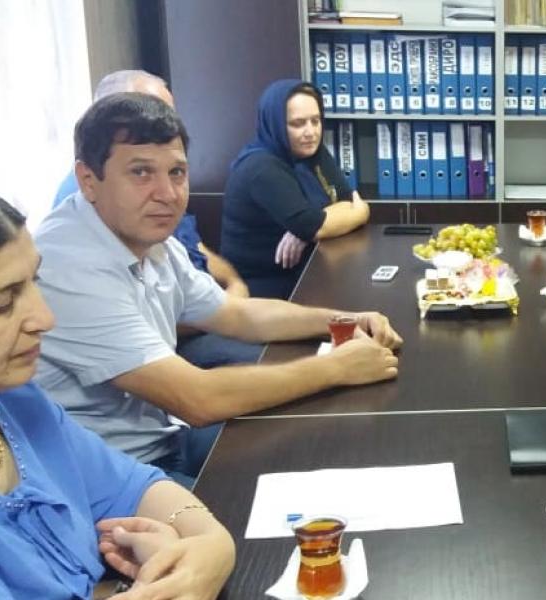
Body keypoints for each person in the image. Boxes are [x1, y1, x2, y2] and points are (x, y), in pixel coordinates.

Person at [34, 92, 402, 486]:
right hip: (107, 477)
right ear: (88, 180)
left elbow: (235, 313)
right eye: (141, 172)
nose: (167, 194)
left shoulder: (148, 237)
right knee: (264, 513)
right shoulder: (68, 263)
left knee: (326, 451)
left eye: (176, 172)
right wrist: (336, 368)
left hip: (164, 438)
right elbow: (198, 399)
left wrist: (345, 320)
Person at [0, 186, 234, 598]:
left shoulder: (12, 400)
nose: (44, 318)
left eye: (34, 282)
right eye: (2, 304)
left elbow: (134, 487)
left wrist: (210, 545)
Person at [52, 69, 261, 369]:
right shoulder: (71, 255)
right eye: (140, 172)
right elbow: (196, 391)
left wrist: (232, 283)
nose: (167, 194)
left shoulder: (151, 224)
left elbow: (192, 252)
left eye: (166, 115)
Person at [222, 79, 370, 299]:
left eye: (315, 121)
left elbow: (344, 200)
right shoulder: (261, 168)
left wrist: (306, 230)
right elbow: (320, 224)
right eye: (298, 123)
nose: (311, 132)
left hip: (308, 269)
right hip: (264, 288)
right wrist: (359, 212)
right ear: (275, 124)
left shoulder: (312, 153)